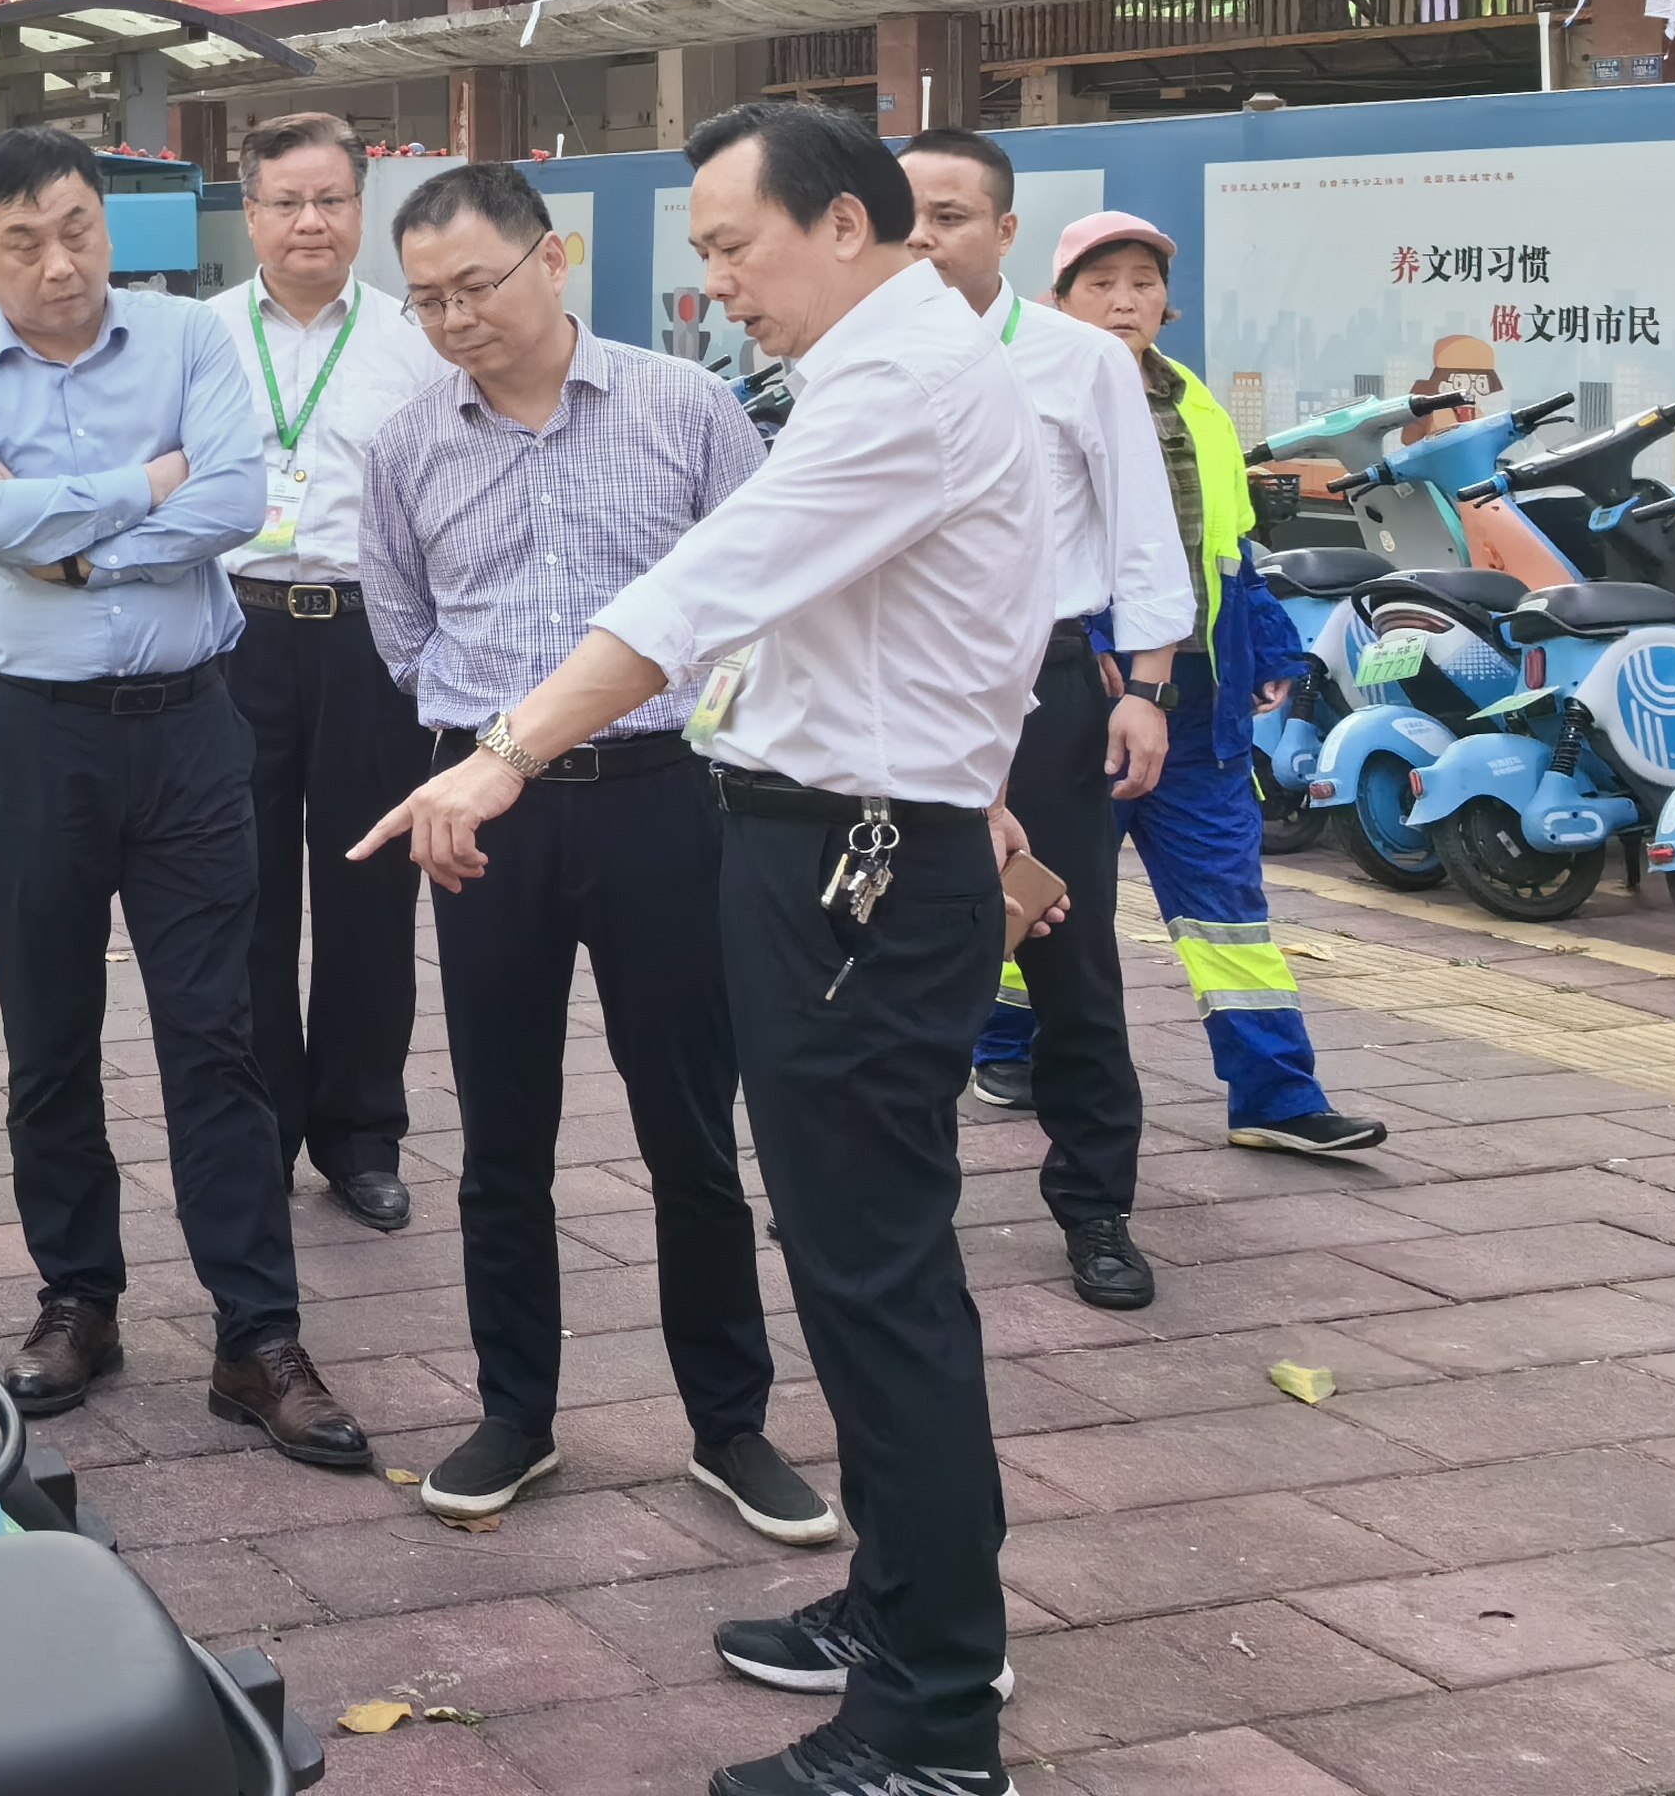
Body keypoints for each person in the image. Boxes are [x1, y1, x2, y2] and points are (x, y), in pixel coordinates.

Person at [353, 101, 1058, 1796]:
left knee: (875, 1279)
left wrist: (503, 752)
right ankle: (904, 1608)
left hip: (858, 871)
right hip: (836, 848)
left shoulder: (896, 389)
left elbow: (698, 587)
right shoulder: (885, 369)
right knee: (863, 1262)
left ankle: (932, 1719)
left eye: (736, 246)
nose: (719, 282)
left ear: (844, 223)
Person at [350, 160, 834, 1548]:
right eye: (428, 300)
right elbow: (404, 633)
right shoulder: (406, 445)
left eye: (475, 286)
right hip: (486, 823)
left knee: (689, 1125)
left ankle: (730, 1424)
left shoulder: (684, 408)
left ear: (551, 259)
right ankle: (516, 1411)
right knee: (501, 1131)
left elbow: (761, 595)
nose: (454, 319)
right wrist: (478, 751)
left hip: (663, 802)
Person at [0, 125, 363, 1463]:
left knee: (216, 1036)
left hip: (190, 728)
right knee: (48, 1029)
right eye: (24, 243)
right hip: (29, 736)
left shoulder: (186, 339)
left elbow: (232, 501)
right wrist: (141, 483)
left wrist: (78, 547)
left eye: (78, 229)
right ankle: (77, 1301)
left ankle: (255, 1335)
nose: (61, 264)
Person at [1011, 209, 1387, 1163]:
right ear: (1058, 300)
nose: (1124, 301)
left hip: (1198, 704)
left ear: (1166, 303)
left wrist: (1266, 650)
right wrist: (1089, 650)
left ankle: (1278, 1096)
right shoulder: (1028, 389)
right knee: (1050, 896)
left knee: (1229, 908)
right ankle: (1004, 1046)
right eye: (1101, 284)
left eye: (1142, 283)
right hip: (1083, 696)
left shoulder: (1195, 403)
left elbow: (1227, 548)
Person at [900, 131, 1197, 1316]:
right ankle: (894, 1199)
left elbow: (1143, 534)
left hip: (1051, 691)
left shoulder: (1078, 359)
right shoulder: (862, 354)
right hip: (903, 692)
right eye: (905, 216)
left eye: (951, 216)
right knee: (900, 956)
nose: (925, 238)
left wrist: (1147, 690)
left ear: (1005, 231)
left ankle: (1094, 1207)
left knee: (1068, 955)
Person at [217, 110, 451, 1233]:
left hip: (370, 639)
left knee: (371, 890)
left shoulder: (417, 338)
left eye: (331, 200)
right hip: (234, 635)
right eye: (286, 201)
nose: (309, 221)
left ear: (362, 210)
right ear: (249, 213)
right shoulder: (199, 338)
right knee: (242, 894)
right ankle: (257, 1129)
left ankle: (361, 1135)